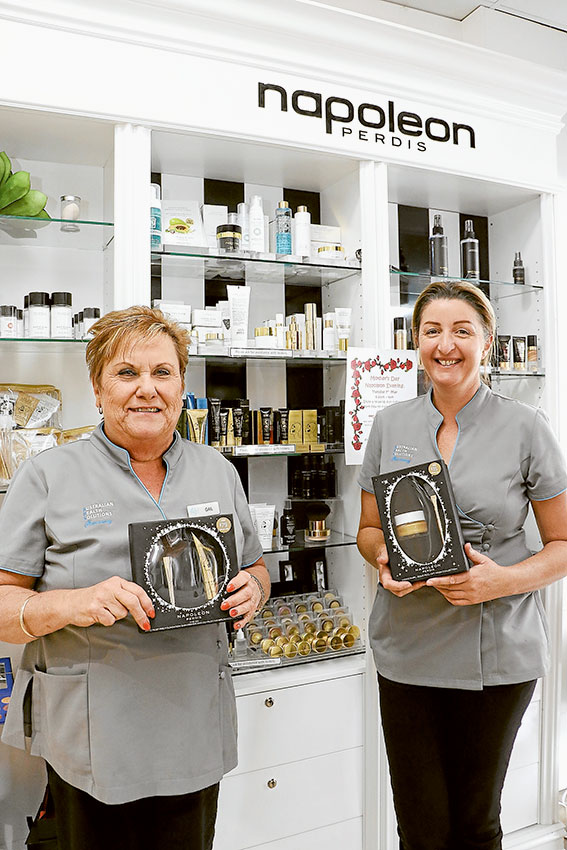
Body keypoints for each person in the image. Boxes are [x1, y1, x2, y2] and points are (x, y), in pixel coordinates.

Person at [0, 306, 270, 850]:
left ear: (181, 386)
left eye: (162, 373)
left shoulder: (216, 469)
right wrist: (76, 604)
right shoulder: (48, 475)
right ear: (97, 389)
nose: (147, 389)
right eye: (126, 373)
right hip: (94, 739)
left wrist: (255, 589)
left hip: (193, 727)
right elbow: (6, 609)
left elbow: (254, 567)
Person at [357, 280, 567, 850]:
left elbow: (562, 545)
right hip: (407, 651)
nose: (445, 345)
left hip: (496, 655)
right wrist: (381, 560)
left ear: (487, 342)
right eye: (431, 331)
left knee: (475, 825)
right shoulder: (390, 425)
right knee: (420, 828)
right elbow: (369, 530)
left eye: (461, 331)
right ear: (415, 342)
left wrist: (500, 581)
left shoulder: (527, 426)